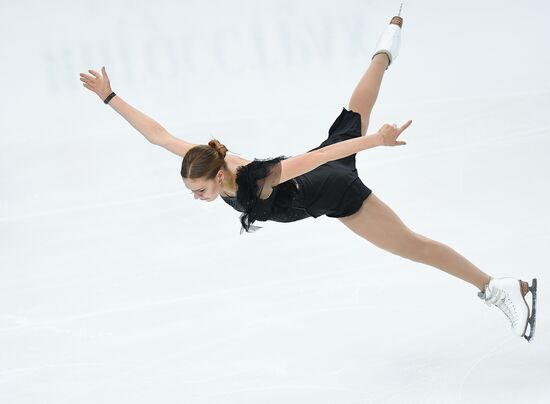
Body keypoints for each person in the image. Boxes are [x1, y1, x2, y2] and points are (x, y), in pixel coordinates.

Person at [80, 10, 536, 341]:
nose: (196, 196)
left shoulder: (258, 177)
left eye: (199, 190)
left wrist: (376, 142)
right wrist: (109, 97)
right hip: (323, 170)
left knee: (412, 245)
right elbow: (159, 136)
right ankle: (387, 42)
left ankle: (499, 287)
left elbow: (322, 159)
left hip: (334, 190)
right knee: (356, 107)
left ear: (219, 177)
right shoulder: (207, 160)